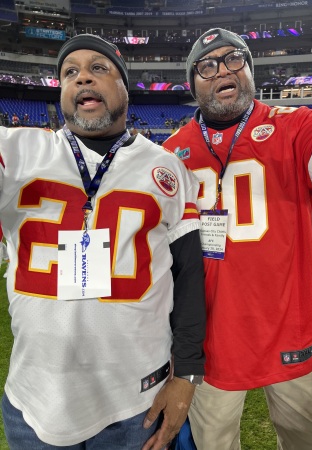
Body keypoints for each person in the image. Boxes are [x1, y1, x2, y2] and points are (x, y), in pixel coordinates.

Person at [0, 34, 206, 450]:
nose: (81, 79)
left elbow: (188, 281)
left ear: (124, 88)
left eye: (98, 68)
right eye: (69, 73)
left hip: (136, 400)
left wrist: (185, 376)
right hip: (34, 398)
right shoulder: (18, 149)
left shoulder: (167, 168)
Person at [164, 28, 312, 450]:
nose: (222, 70)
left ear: (249, 70)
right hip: (211, 348)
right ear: (193, 84)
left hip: (293, 334)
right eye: (207, 66)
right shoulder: (169, 152)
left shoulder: (296, 125)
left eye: (234, 59)